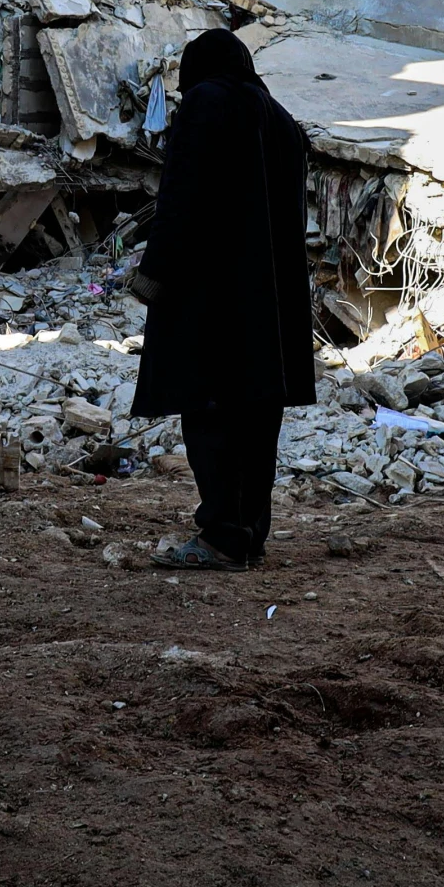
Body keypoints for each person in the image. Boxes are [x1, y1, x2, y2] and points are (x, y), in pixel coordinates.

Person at [127, 28, 314, 570]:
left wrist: (153, 277)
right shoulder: (280, 120)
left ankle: (219, 536)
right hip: (270, 308)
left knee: (210, 414)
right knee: (257, 419)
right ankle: (248, 535)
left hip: (213, 301)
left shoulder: (209, 104)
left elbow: (180, 200)